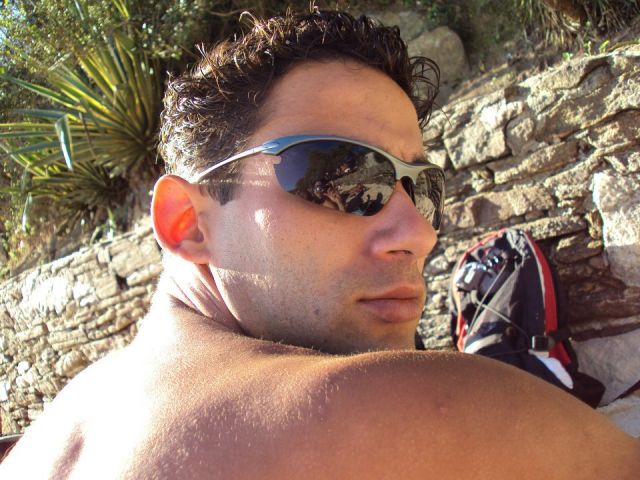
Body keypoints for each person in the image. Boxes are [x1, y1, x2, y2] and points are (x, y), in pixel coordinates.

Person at [1, 9, 639, 479]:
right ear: (187, 222)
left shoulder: (60, 423)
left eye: (422, 188)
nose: (420, 233)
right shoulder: (413, 409)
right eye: (346, 178)